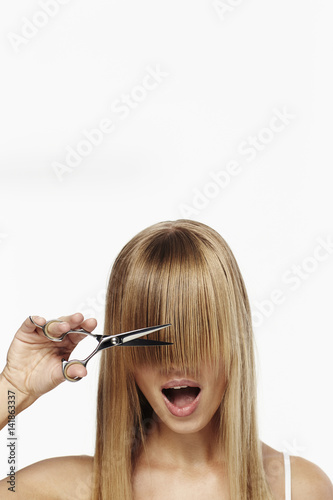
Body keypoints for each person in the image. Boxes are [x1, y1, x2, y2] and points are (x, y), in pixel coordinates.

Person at [0, 219, 332, 500]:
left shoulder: (297, 488)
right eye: (152, 342)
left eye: (198, 333)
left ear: (234, 341)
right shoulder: (65, 490)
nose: (176, 360)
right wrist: (13, 388)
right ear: (124, 356)